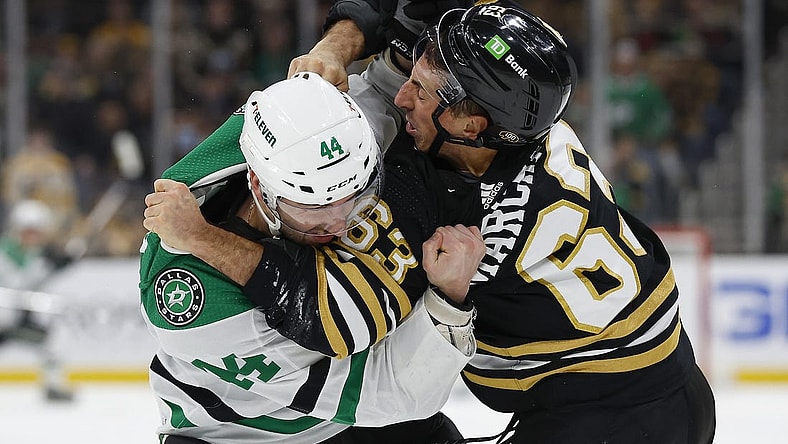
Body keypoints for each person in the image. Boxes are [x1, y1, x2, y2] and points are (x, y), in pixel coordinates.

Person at [159, 2, 717, 443]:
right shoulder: (509, 116)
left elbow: (329, 317)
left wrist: (202, 238)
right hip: (655, 376)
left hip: (614, 423)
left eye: (421, 92)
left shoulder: (457, 211)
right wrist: (337, 44)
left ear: (471, 125)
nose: (398, 93)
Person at [140, 73, 485, 443]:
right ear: (260, 187)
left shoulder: (300, 126)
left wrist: (335, 47)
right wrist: (449, 301)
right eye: (316, 210)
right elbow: (390, 392)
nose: (339, 226)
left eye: (354, 197)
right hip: (227, 436)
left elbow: (374, 87)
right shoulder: (196, 306)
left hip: (341, 424)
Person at [0, 200, 74, 401]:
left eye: (37, 232)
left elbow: (35, 288)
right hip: (4, 314)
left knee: (55, 336)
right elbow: (16, 285)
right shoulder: (4, 252)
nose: (33, 237)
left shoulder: (37, 255)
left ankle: (53, 384)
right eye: (29, 231)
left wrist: (59, 265)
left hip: (16, 318)